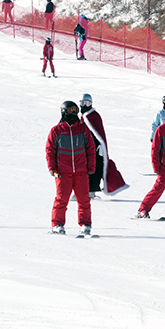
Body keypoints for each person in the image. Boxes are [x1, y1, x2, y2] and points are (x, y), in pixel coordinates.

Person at [46, 100, 96, 235]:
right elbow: (50, 151)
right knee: (61, 199)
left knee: (84, 199)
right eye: (70, 111)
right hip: (62, 172)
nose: (73, 114)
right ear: (63, 111)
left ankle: (86, 224)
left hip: (81, 171)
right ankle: (57, 224)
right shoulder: (56, 131)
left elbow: (91, 149)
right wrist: (52, 168)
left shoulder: (83, 129)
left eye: (75, 111)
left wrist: (91, 166)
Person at [79, 94, 129, 198]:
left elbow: (98, 133)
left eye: (87, 103)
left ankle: (91, 192)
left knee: (95, 169)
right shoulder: (83, 116)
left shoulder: (93, 115)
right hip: (85, 148)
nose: (84, 105)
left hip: (96, 149)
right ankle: (83, 191)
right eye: (82, 103)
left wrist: (100, 146)